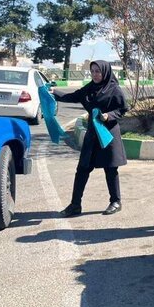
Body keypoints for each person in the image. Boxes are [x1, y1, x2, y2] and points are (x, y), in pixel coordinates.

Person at [54, 60, 129, 217]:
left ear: (105, 72)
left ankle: (116, 201)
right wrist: (54, 93)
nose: (95, 74)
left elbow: (122, 109)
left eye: (98, 71)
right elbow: (73, 96)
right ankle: (75, 205)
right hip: (92, 134)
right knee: (82, 169)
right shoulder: (89, 88)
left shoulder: (114, 89)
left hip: (108, 134)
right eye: (93, 71)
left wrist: (109, 115)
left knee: (111, 168)